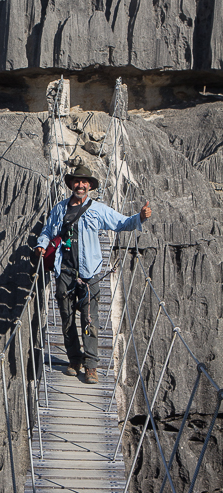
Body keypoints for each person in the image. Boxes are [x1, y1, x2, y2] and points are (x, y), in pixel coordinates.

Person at [35, 164, 152, 384]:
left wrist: (140, 217)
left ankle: (91, 366)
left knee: (90, 319)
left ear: (89, 186)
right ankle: (74, 360)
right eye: (77, 181)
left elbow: (122, 223)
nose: (80, 185)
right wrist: (41, 245)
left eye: (84, 182)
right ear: (71, 184)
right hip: (65, 271)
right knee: (67, 317)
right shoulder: (60, 209)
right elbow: (48, 230)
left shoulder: (98, 209)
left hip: (90, 274)